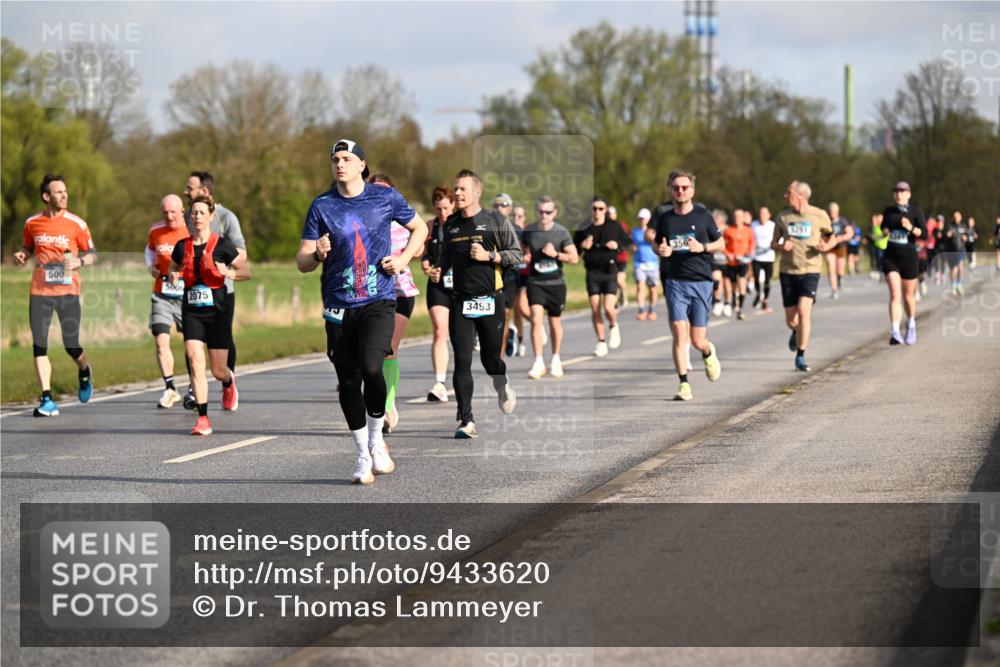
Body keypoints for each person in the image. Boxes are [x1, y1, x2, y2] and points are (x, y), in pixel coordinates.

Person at [297, 139, 427, 483]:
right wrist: (317, 254)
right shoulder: (321, 206)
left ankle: (376, 441)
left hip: (379, 299)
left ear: (361, 165)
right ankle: (361, 456)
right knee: (348, 382)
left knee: (372, 367)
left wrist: (402, 259)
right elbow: (302, 261)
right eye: (335, 159)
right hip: (339, 305)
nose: (340, 164)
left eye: (347, 159)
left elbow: (420, 228)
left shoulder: (384, 197)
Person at [430, 169, 520, 439]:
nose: (457, 193)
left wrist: (489, 255)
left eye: (462, 189)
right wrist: (438, 270)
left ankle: (501, 384)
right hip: (461, 302)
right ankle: (465, 419)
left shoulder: (496, 221)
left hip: (491, 300)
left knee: (491, 359)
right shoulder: (452, 225)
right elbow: (445, 258)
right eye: (455, 189)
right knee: (462, 361)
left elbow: (516, 255)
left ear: (476, 192)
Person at [13, 174, 96, 417]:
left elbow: (93, 254)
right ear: (46, 197)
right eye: (58, 192)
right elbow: (28, 247)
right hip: (39, 290)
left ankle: (84, 370)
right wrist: (22, 255)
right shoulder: (32, 223)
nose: (64, 195)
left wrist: (79, 261)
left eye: (65, 191)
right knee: (39, 345)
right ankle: (47, 398)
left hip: (68, 290)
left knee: (71, 345)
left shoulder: (77, 223)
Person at [167, 195, 250, 435]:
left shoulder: (222, 245)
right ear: (189, 217)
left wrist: (230, 273)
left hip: (218, 311)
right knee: (194, 360)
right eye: (194, 213)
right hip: (192, 309)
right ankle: (203, 418)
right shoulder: (182, 246)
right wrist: (173, 275)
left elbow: (246, 270)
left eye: (202, 212)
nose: (198, 217)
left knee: (217, 370)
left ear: (211, 216)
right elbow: (173, 267)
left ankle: (227, 381)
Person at [646, 170, 723, 401]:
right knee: (680, 334)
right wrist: (660, 250)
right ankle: (684, 384)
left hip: (701, 281)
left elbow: (721, 242)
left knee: (697, 340)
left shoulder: (703, 216)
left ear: (692, 190)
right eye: (676, 187)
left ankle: (708, 352)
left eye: (685, 187)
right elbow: (656, 244)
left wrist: (703, 247)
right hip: (675, 281)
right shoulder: (665, 219)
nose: (680, 191)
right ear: (670, 190)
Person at [182, 171, 247, 409]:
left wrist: (224, 268)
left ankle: (226, 380)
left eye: (190, 188)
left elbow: (242, 255)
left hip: (221, 293)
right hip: (192, 294)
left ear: (205, 192)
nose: (185, 192)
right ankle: (195, 391)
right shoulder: (188, 217)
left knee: (222, 347)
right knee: (192, 347)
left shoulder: (227, 217)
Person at [368, 173, 422, 434]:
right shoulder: (362, 223)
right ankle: (380, 400)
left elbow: (420, 241)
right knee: (369, 356)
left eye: (384, 191)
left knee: (389, 349)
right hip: (371, 295)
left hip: (401, 293)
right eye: (374, 190)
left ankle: (387, 406)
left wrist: (406, 256)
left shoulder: (402, 223)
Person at [771, 181, 833, 372]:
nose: (784, 196)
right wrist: (782, 246)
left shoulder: (819, 215)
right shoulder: (783, 217)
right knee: (791, 320)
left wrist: (825, 246)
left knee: (804, 311)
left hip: (811, 269)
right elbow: (773, 243)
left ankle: (801, 355)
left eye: (788, 192)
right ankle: (795, 331)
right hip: (788, 271)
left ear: (800, 195)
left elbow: (831, 236)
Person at [522, 196, 579, 379]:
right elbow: (523, 250)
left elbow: (574, 258)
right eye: (540, 212)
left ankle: (555, 359)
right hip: (535, 282)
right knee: (536, 320)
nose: (544, 215)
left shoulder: (561, 232)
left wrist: (556, 254)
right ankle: (538, 361)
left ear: (554, 212)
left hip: (555, 284)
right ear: (536, 212)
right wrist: (526, 256)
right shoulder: (529, 231)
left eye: (548, 212)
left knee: (555, 322)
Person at [146, 194, 190, 408]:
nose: (169, 216)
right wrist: (151, 267)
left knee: (191, 343)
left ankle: (193, 387)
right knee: (161, 340)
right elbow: (149, 250)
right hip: (162, 293)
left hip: (187, 295)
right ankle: (170, 388)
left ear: (182, 211)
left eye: (173, 212)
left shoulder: (191, 230)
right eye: (165, 213)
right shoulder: (155, 230)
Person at [575, 197, 630, 356]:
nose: (597, 212)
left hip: (609, 270)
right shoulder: (584, 227)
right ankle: (601, 341)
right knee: (594, 307)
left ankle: (613, 325)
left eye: (600, 208)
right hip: (592, 271)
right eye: (594, 208)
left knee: (608, 307)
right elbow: (576, 252)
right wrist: (582, 246)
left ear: (605, 210)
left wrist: (617, 246)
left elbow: (628, 242)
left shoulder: (614, 226)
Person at [879, 181, 927, 345]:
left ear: (909, 194)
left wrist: (911, 228)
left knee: (908, 297)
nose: (899, 194)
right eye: (896, 191)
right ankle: (895, 331)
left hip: (909, 257)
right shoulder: (888, 211)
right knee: (894, 294)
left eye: (902, 191)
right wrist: (885, 231)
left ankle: (911, 324)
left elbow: (924, 234)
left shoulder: (915, 212)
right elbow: (884, 228)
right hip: (891, 256)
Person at [421, 186, 456, 403]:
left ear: (453, 205)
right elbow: (424, 255)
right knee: (439, 330)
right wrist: (427, 265)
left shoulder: (463, 226)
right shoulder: (430, 226)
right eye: (438, 208)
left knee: (460, 333)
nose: (443, 213)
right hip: (438, 285)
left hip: (462, 286)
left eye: (446, 208)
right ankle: (440, 383)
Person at [493, 193, 521, 358]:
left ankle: (499, 357)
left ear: (509, 208)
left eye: (503, 205)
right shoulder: (486, 227)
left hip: (510, 277)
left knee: (504, 314)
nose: (499, 208)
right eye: (496, 206)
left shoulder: (517, 230)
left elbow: (523, 253)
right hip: (491, 276)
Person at [722, 208, 755, 320]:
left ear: (743, 218)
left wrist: (749, 253)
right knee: (733, 287)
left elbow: (752, 243)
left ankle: (739, 309)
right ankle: (733, 302)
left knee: (742, 286)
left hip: (743, 262)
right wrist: (728, 254)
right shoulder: (728, 230)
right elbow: (722, 245)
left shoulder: (748, 230)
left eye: (739, 217)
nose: (737, 219)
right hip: (731, 263)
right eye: (735, 217)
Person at [631, 208, 660, 320]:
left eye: (644, 218)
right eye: (640, 218)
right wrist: (632, 247)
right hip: (639, 263)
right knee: (640, 286)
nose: (642, 220)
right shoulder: (635, 231)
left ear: (649, 219)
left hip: (653, 263)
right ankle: (641, 310)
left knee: (653, 289)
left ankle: (652, 310)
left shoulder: (654, 231)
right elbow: (631, 244)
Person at [824, 203, 855, 299]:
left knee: (840, 269)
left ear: (837, 211)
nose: (832, 213)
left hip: (840, 247)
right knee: (830, 266)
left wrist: (841, 238)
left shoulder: (842, 221)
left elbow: (850, 233)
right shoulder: (826, 221)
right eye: (830, 211)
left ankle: (840, 278)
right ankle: (834, 289)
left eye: (833, 211)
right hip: (830, 248)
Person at [751, 206, 776, 313]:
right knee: (756, 278)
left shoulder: (773, 225)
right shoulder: (754, 225)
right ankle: (758, 293)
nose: (762, 216)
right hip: (756, 257)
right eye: (761, 213)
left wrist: (776, 245)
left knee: (767, 280)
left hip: (769, 257)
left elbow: (779, 238)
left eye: (764, 214)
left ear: (769, 215)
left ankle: (765, 299)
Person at [942, 211, 970, 294]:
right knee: (953, 269)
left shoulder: (964, 226)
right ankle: (953, 284)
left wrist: (966, 237)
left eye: (958, 217)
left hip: (960, 249)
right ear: (953, 218)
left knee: (960, 268)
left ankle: (958, 283)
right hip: (951, 250)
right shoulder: (949, 226)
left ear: (961, 218)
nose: (956, 218)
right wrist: (948, 235)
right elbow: (944, 236)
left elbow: (967, 236)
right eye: (955, 217)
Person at [710, 210, 729, 316]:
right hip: (715, 260)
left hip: (728, 261)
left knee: (727, 283)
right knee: (716, 280)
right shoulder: (710, 230)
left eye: (718, 220)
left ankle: (728, 302)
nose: (716, 222)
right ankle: (718, 301)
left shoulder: (728, 230)